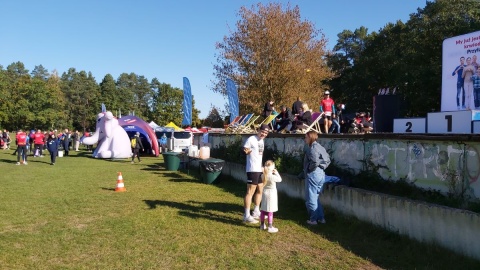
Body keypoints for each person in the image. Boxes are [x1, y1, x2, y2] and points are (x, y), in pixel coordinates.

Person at [242, 124, 270, 223]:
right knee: (250, 192)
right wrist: (246, 151)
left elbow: (258, 155)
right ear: (258, 130)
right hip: (252, 169)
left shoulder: (262, 141)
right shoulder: (251, 139)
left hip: (258, 169)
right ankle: (246, 215)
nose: (263, 134)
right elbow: (245, 149)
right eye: (262, 131)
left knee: (260, 190)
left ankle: (256, 211)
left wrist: (262, 166)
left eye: (266, 133)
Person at [303, 130, 330, 225]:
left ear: (310, 137)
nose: (305, 139)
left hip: (313, 174)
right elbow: (328, 160)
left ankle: (313, 219)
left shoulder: (313, 148)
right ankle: (321, 218)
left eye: (306, 137)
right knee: (316, 197)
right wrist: (322, 167)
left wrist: (309, 170)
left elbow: (314, 161)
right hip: (320, 174)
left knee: (311, 198)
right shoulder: (320, 147)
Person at [259, 160, 282, 233]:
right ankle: (270, 226)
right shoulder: (272, 177)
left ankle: (262, 225)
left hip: (264, 193)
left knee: (263, 209)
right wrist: (276, 173)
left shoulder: (263, 175)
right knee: (270, 211)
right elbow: (280, 179)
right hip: (271, 194)